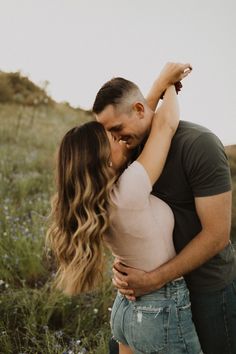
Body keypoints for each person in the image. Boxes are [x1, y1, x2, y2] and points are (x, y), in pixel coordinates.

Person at [46, 64, 203, 353]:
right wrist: (168, 82)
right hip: (161, 307)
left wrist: (150, 96)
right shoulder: (129, 189)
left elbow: (143, 120)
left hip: (126, 310)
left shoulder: (97, 201)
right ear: (103, 161)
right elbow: (165, 125)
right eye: (111, 140)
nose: (120, 140)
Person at [92, 63, 236, 354]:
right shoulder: (126, 156)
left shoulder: (199, 145)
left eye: (117, 130)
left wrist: (153, 278)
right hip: (151, 296)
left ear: (139, 109)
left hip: (206, 286)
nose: (114, 140)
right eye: (107, 133)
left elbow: (217, 235)